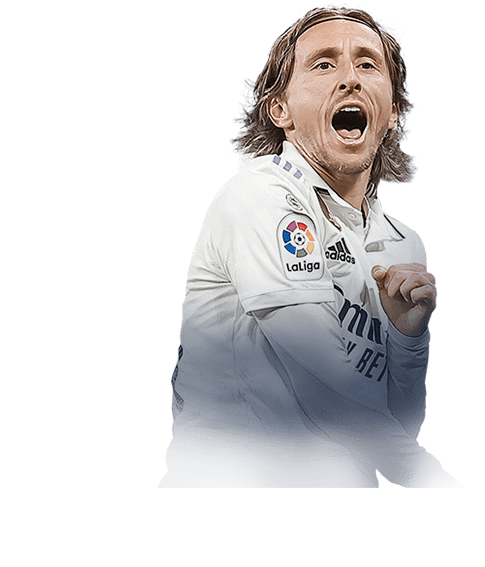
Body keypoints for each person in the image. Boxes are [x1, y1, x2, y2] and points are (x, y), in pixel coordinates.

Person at [158, 6, 462, 488]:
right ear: (280, 109)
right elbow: (323, 385)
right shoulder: (258, 195)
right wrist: (428, 477)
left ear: (393, 110)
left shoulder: (404, 244)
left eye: (367, 64)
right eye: (323, 64)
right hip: (233, 488)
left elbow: (396, 427)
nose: (350, 78)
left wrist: (408, 341)